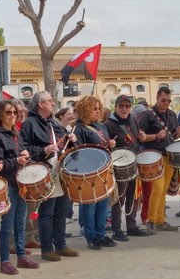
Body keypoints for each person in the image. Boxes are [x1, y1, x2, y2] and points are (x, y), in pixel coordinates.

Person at [20, 92, 76, 260]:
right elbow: (23, 148)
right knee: (47, 213)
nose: (53, 103)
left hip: (60, 170)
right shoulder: (29, 123)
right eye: (49, 101)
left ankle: (61, 245)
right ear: (40, 104)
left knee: (62, 210)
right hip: (44, 171)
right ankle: (46, 248)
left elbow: (64, 142)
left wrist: (72, 139)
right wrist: (43, 150)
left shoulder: (53, 122)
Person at [0, 98, 36, 273]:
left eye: (14, 112)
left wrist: (25, 154)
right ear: (0, 115)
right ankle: (5, 261)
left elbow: (19, 156)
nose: (13, 115)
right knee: (7, 225)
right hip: (7, 185)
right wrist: (16, 160)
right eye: (8, 112)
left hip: (20, 184)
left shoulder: (15, 134)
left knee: (20, 223)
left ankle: (21, 257)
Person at [72, 96, 117, 248]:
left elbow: (104, 146)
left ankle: (101, 234)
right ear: (86, 110)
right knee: (90, 206)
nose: (98, 112)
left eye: (99, 108)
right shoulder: (79, 128)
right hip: (88, 172)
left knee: (103, 205)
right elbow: (78, 152)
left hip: (103, 170)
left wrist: (110, 145)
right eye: (94, 109)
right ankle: (91, 237)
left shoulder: (101, 126)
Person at [136, 86, 180, 230]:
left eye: (168, 100)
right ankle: (151, 220)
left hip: (169, 156)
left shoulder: (172, 115)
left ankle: (161, 220)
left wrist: (179, 133)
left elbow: (172, 136)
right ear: (157, 98)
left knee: (164, 189)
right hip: (154, 157)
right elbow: (140, 137)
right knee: (158, 188)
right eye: (163, 100)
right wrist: (155, 136)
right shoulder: (147, 115)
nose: (166, 103)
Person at [105, 94, 148, 239]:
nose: (124, 109)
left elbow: (136, 140)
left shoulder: (133, 121)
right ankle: (117, 230)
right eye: (121, 106)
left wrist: (141, 139)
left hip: (134, 163)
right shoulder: (109, 124)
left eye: (127, 106)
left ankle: (131, 226)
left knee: (134, 196)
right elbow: (105, 146)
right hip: (119, 167)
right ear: (116, 107)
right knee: (119, 198)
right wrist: (109, 145)